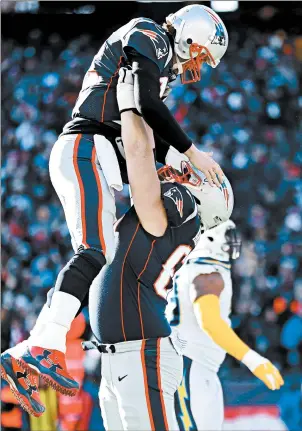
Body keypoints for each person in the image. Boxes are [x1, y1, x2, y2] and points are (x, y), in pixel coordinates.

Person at [1, 4, 228, 414]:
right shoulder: (149, 34)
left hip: (98, 153)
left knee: (95, 252)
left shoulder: (156, 57)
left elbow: (145, 126)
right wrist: (191, 152)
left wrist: (173, 160)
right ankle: (39, 347)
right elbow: (142, 101)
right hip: (86, 147)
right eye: (199, 54)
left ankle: (34, 347)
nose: (196, 66)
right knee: (94, 251)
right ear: (190, 34)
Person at [81, 68, 233, 430]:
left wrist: (129, 98)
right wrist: (149, 100)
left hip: (142, 352)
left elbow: (137, 153)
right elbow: (143, 156)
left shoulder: (183, 204)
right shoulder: (175, 217)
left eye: (191, 176)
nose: (180, 172)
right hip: (123, 354)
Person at [168, 221, 284, 431]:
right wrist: (253, 360)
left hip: (188, 364)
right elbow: (210, 322)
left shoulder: (185, 269)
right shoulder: (208, 274)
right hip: (191, 367)